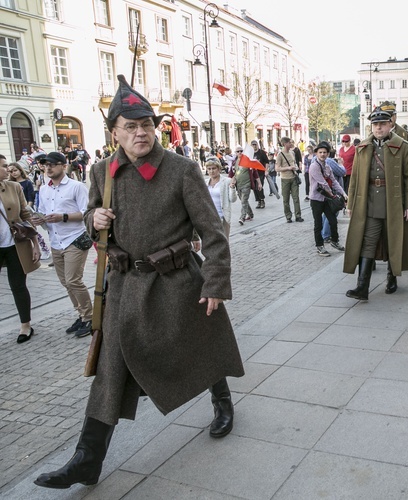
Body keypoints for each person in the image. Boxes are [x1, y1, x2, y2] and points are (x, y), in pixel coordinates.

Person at [34, 75, 244, 489]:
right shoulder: (101, 172)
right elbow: (97, 226)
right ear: (114, 132)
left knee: (200, 344)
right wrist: (94, 221)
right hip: (125, 287)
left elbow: (214, 230)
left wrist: (215, 283)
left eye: (146, 124)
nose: (141, 132)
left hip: (177, 281)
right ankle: (86, 459)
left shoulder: (182, 169)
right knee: (110, 370)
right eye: (130, 126)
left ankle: (222, 402)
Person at [344, 107, 408, 300]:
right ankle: (362, 287)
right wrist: (350, 203)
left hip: (394, 203)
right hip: (369, 203)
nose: (378, 128)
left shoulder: (404, 146)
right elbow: (355, 179)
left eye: (382, 124)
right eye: (375, 124)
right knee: (368, 242)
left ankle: (392, 278)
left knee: (393, 241)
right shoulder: (363, 147)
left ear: (390, 125)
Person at [32, 151, 94, 338]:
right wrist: (39, 219)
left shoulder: (76, 187)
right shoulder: (44, 189)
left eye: (52, 164)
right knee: (66, 282)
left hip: (74, 238)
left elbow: (87, 212)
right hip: (56, 240)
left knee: (73, 280)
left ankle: (90, 318)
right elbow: (43, 212)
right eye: (45, 165)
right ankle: (82, 314)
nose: (48, 168)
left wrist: (63, 217)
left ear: (63, 166)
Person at [0, 155, 41, 343]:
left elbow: (25, 215)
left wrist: (35, 244)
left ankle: (26, 325)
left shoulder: (14, 187)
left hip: (15, 244)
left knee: (18, 285)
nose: (7, 169)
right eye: (3, 166)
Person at [309, 142, 347, 256]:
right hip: (316, 199)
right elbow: (323, 183)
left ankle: (335, 241)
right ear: (316, 153)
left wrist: (343, 193)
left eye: (324, 152)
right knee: (318, 223)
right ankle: (319, 246)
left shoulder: (327, 166)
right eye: (320, 152)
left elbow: (334, 181)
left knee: (333, 220)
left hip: (326, 199)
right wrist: (333, 195)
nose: (322, 154)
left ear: (328, 153)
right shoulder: (314, 166)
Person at [205, 158, 236, 238]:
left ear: (219, 168)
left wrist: (232, 187)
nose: (211, 171)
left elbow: (233, 199)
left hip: (222, 217)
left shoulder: (226, 181)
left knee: (224, 243)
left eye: (214, 168)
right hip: (209, 218)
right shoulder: (205, 183)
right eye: (209, 169)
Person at [276, 137, 304, 223]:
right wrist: (288, 168)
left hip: (293, 177)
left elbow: (294, 162)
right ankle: (288, 216)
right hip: (285, 179)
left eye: (291, 142)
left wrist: (295, 167)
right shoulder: (280, 155)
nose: (291, 144)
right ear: (284, 144)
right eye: (289, 142)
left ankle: (298, 216)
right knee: (286, 199)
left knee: (296, 198)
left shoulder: (292, 152)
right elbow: (277, 168)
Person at [321, 153, 346, 243]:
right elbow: (342, 172)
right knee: (332, 213)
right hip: (332, 192)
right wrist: (340, 163)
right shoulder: (330, 161)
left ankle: (323, 233)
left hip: (325, 192)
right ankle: (326, 234)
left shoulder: (317, 161)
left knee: (326, 213)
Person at [249, 140, 268, 208]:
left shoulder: (261, 152)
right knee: (254, 187)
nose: (254, 146)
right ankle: (258, 201)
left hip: (261, 172)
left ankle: (262, 200)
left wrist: (266, 170)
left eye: (255, 144)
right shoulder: (250, 153)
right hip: (253, 173)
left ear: (257, 145)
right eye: (253, 145)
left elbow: (266, 162)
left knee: (259, 186)